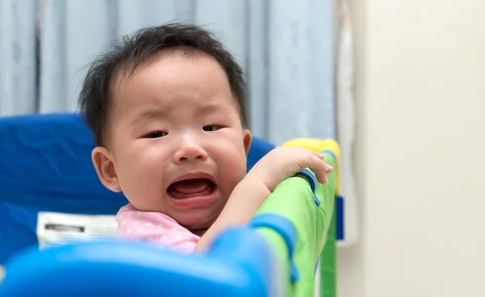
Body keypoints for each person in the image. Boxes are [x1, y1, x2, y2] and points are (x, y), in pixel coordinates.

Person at [78, 23, 332, 253]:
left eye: (211, 127)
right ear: (111, 169)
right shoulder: (144, 237)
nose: (190, 148)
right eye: (156, 133)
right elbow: (204, 276)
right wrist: (259, 183)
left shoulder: (251, 208)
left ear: (243, 148)